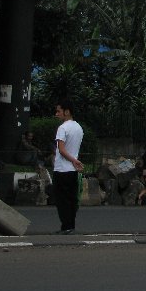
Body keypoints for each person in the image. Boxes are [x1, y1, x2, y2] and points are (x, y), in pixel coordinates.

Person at [52, 100, 84, 235]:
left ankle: (66, 226)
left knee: (61, 200)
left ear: (67, 111)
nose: (56, 114)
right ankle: (71, 225)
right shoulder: (78, 127)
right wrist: (75, 162)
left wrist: (74, 161)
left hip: (61, 169)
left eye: (59, 111)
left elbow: (62, 150)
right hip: (72, 171)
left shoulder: (63, 128)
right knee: (71, 199)